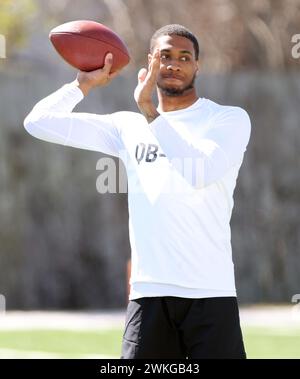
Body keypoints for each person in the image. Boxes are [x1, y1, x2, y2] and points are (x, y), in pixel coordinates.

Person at [24, 24, 251, 359]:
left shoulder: (227, 119)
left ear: (197, 66)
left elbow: (200, 171)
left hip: (210, 294)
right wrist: (81, 84)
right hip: (148, 296)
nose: (174, 63)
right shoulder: (125, 128)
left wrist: (149, 111)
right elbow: (38, 121)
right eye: (166, 56)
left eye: (184, 57)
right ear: (150, 62)